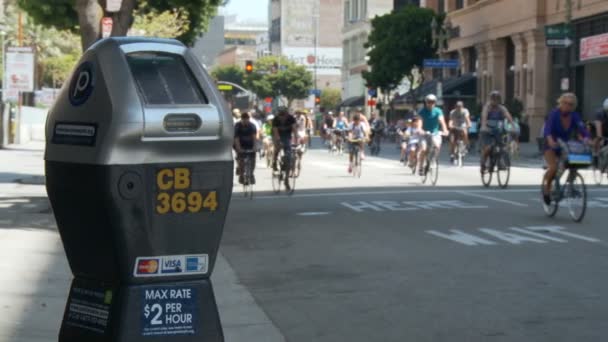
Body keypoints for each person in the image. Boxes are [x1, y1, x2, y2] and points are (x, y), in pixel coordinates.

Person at [542, 93, 591, 205]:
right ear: (561, 102)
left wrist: (587, 138)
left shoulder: (574, 116)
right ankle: (547, 190)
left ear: (573, 106)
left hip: (565, 145)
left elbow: (582, 129)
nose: (567, 106)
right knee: (554, 167)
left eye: (571, 104)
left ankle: (570, 185)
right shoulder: (554, 114)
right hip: (551, 145)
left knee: (574, 163)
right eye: (565, 103)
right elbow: (548, 130)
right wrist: (550, 141)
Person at [480, 91, 515, 173]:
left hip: (498, 130)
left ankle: (501, 162)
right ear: (490, 99)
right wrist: (484, 126)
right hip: (487, 130)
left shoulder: (501, 108)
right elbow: (484, 116)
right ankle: (483, 163)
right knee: (488, 148)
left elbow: (508, 116)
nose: (495, 101)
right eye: (493, 99)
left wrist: (513, 126)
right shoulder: (487, 107)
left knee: (502, 146)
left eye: (497, 99)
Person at [418, 94, 449, 175]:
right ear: (426, 102)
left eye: (432, 102)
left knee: (437, 146)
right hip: (425, 133)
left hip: (435, 133)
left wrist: (445, 130)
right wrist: (420, 130)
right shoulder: (422, 111)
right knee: (424, 149)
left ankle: (433, 160)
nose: (431, 103)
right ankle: (420, 166)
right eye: (429, 102)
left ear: (435, 102)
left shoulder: (438, 111)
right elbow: (419, 123)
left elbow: (442, 121)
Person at [272, 107, 298, 187]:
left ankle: (286, 179)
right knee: (277, 147)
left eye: (284, 115)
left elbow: (294, 130)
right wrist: (279, 142)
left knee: (289, 159)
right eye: (280, 115)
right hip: (277, 135)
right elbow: (276, 132)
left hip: (287, 136)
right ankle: (275, 162)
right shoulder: (275, 120)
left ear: (287, 115)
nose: (282, 117)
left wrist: (295, 142)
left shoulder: (291, 118)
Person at [234, 112, 258, 185]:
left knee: (253, 159)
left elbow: (254, 137)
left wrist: (254, 147)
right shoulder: (237, 126)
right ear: (241, 119)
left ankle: (251, 174)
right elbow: (236, 138)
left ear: (248, 119)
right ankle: (241, 175)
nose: (245, 121)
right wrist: (238, 148)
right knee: (241, 159)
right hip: (240, 144)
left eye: (246, 119)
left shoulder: (252, 126)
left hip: (250, 144)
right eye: (243, 120)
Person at [593, 98, 608, 165]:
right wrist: (600, 137)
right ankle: (595, 155)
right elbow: (598, 129)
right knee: (598, 138)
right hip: (601, 132)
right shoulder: (600, 113)